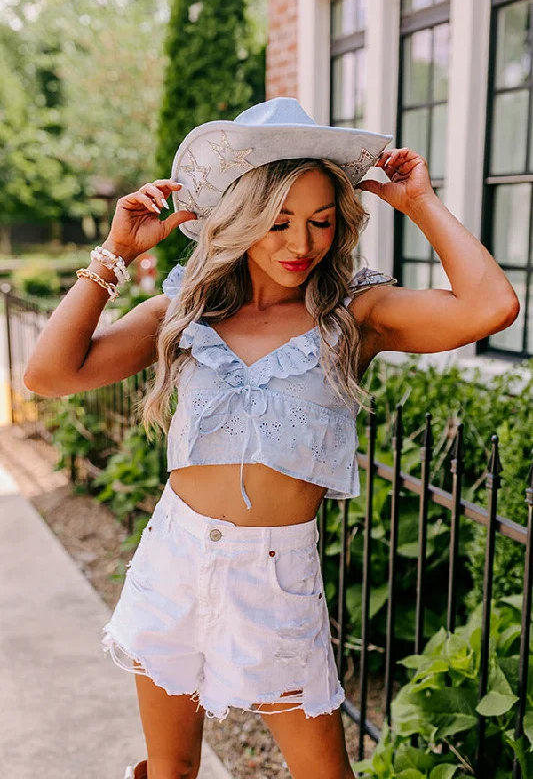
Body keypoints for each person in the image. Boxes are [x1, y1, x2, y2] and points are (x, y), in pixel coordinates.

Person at [24, 98, 519, 779]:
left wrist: (421, 203)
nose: (301, 243)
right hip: (174, 561)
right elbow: (48, 375)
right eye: (278, 221)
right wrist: (116, 253)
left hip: (275, 578)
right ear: (240, 220)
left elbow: (490, 308)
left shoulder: (354, 316)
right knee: (169, 771)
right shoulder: (181, 312)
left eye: (319, 221)